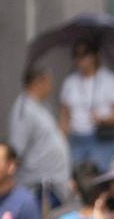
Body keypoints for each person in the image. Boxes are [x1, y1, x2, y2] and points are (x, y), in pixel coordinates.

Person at [8, 67, 73, 209]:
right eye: (48, 82)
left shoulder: (40, 106)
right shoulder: (23, 109)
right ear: (38, 82)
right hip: (37, 186)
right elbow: (16, 150)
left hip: (52, 184)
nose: (50, 87)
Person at [59, 40, 114, 173]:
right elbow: (64, 114)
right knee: (75, 177)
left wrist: (104, 119)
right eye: (76, 54)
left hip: (101, 138)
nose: (80, 58)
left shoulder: (109, 79)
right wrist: (61, 139)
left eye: (85, 53)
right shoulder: (70, 81)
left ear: (95, 55)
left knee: (99, 176)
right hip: (76, 138)